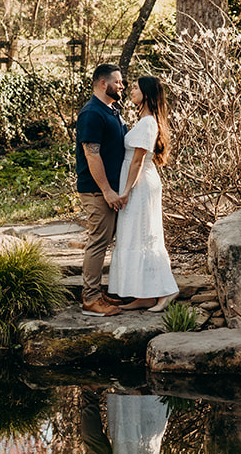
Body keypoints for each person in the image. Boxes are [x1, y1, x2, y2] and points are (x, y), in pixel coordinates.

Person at [106, 75, 179, 312]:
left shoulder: (148, 123)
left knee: (146, 236)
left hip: (139, 185)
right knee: (134, 236)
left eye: (135, 88)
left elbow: (137, 161)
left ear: (146, 93)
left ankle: (167, 291)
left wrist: (125, 191)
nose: (130, 91)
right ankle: (144, 295)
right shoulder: (144, 120)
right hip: (134, 183)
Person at [76, 64, 127, 317]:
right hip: (97, 191)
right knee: (98, 242)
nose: (122, 86)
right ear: (102, 83)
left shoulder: (111, 110)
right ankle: (90, 299)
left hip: (111, 190)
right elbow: (91, 154)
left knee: (104, 241)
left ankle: (96, 292)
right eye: (118, 82)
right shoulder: (91, 113)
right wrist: (106, 190)